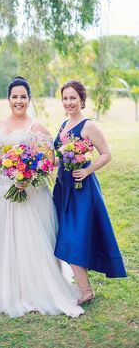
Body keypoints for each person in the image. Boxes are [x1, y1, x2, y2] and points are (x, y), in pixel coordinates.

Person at [0, 76, 84, 318]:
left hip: (29, 193)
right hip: (1, 193)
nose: (19, 101)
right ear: (8, 99)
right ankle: (1, 286)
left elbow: (49, 161)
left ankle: (33, 288)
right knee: (2, 242)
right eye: (14, 97)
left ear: (29, 99)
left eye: (23, 97)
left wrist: (29, 175)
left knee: (29, 241)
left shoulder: (37, 127)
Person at [53, 80, 127, 305]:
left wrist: (86, 171)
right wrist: (37, 165)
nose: (69, 102)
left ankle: (85, 290)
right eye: (65, 98)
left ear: (82, 100)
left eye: (73, 98)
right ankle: (84, 287)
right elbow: (59, 159)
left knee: (73, 237)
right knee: (67, 235)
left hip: (82, 190)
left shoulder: (88, 126)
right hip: (63, 188)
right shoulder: (64, 125)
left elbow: (106, 154)